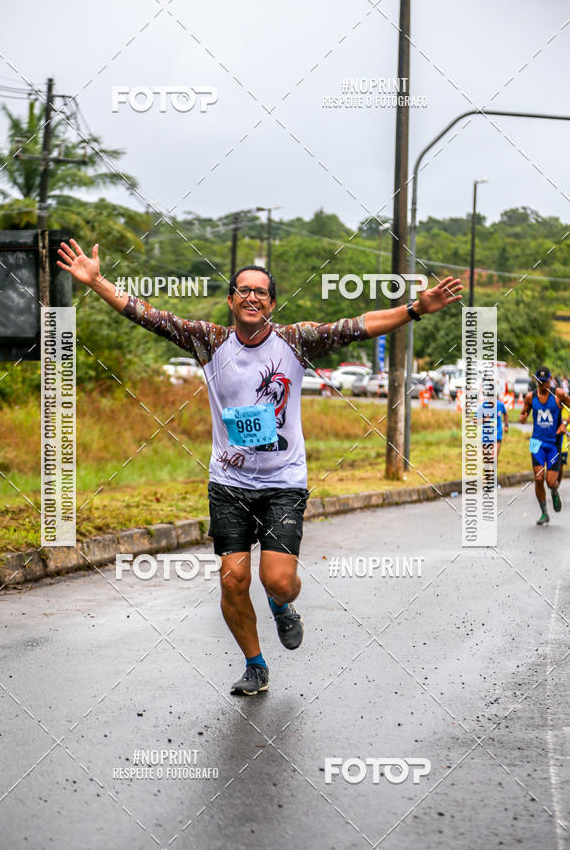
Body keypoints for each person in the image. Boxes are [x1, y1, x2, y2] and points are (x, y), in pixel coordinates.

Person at [57, 239, 463, 695]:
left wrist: (414, 309)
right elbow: (148, 314)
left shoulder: (296, 341)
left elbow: (359, 326)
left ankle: (281, 604)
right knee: (232, 580)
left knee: (280, 580)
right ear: (231, 300)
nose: (252, 297)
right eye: (243, 290)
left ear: (272, 303)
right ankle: (255, 664)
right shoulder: (209, 341)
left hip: (283, 482)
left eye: (261, 292)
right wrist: (96, 282)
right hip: (228, 482)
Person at [519, 366, 570, 525]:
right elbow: (523, 412)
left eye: (545, 381)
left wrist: (564, 424)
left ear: (550, 380)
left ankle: (554, 491)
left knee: (550, 481)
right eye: (539, 382)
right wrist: (523, 417)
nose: (542, 385)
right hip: (537, 443)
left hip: (554, 444)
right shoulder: (530, 397)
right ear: (536, 381)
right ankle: (544, 513)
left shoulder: (559, 394)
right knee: (539, 478)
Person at [478, 396, 508, 462]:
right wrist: (484, 420)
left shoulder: (500, 405)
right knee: (487, 461)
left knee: (493, 458)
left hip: (497, 435)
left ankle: (494, 472)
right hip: (486, 436)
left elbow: (505, 414)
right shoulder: (482, 406)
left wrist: (506, 425)